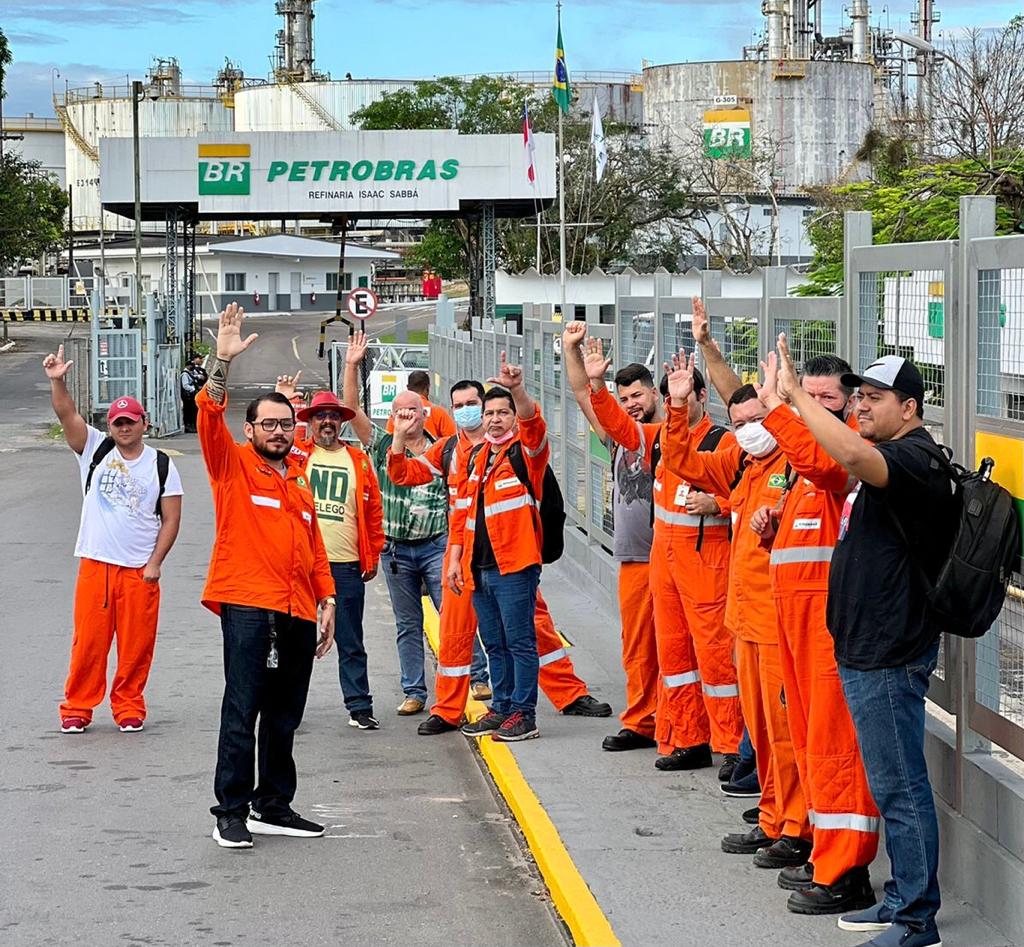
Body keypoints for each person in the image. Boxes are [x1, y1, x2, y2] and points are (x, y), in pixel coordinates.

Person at [774, 339, 956, 947]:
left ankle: (916, 920)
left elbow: (850, 453)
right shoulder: (890, 453)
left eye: (873, 398)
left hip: (889, 652)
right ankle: (903, 898)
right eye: (858, 396)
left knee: (900, 788)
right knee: (890, 784)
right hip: (865, 648)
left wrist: (798, 395)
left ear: (909, 407)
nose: (862, 406)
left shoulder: (912, 461)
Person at [388, 375, 611, 735]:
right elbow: (405, 475)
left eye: (473, 405)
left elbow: (533, 426)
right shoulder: (452, 451)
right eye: (458, 406)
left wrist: (519, 390)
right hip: (467, 557)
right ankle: (451, 710)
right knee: (461, 634)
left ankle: (565, 695)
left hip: (514, 557)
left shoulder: (519, 448)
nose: (468, 412)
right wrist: (399, 437)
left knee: (533, 629)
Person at [661, 344, 811, 872]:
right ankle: (773, 816)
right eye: (739, 420)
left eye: (757, 418)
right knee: (764, 730)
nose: (748, 427)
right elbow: (682, 463)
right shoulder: (745, 462)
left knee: (785, 732)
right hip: (746, 618)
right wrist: (677, 408)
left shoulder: (794, 464)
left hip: (777, 623)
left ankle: (796, 826)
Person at [197, 303, 336, 850]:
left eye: (285, 424)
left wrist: (327, 598)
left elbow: (314, 546)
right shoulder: (230, 466)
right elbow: (210, 414)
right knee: (244, 706)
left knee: (285, 713)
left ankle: (272, 804)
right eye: (268, 424)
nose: (278, 432)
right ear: (250, 428)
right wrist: (221, 362)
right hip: (248, 602)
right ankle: (230, 810)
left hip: (298, 607)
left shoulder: (299, 480)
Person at [574, 328, 745, 774]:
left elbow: (750, 493)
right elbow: (616, 426)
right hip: (663, 564)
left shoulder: (722, 442)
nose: (676, 407)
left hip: (707, 565)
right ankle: (689, 738)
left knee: (714, 658)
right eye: (671, 399)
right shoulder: (658, 440)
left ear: (702, 398)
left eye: (683, 398)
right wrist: (595, 384)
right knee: (674, 656)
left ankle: (729, 744)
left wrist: (718, 503)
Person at [751, 352, 880, 916]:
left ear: (848, 403)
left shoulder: (844, 450)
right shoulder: (800, 460)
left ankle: (847, 872)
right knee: (808, 742)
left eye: (823, 399)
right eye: (807, 394)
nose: (813, 407)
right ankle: (823, 854)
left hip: (830, 628)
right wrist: (771, 529)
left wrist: (781, 405)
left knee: (835, 748)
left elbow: (830, 472)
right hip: (797, 627)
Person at [44, 346, 183, 735]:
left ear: (145, 423)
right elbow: (66, 413)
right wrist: (58, 381)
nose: (124, 427)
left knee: (137, 647)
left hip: (140, 570)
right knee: (88, 643)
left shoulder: (161, 464)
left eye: (131, 421)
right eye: (118, 422)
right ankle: (77, 707)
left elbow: (171, 519)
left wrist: (155, 563)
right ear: (110, 426)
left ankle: (128, 705)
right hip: (96, 565)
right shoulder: (94, 450)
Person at [343, 332, 483, 714]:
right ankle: (414, 691)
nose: (405, 417)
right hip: (396, 549)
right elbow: (351, 408)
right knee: (408, 623)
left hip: (437, 542)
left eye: (413, 411)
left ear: (426, 414)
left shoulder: (444, 448)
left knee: (455, 612)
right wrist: (352, 365)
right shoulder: (380, 443)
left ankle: (479, 677)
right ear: (392, 416)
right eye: (399, 411)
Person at [563, 322, 662, 752]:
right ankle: (642, 720)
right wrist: (572, 350)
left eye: (637, 395)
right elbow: (583, 395)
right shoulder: (620, 440)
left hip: (671, 560)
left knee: (679, 651)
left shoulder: (668, 437)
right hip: (634, 560)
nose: (631, 405)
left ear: (655, 393)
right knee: (638, 648)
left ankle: (685, 725)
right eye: (623, 400)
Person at [446, 354, 550, 742]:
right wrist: (456, 559)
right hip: (479, 568)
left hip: (515, 566)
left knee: (519, 641)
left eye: (502, 413)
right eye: (489, 413)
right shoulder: (475, 457)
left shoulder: (526, 453)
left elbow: (534, 424)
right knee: (494, 642)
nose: (494, 419)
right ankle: (503, 707)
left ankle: (524, 713)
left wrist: (518, 390)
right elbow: (462, 514)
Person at [276, 375, 386, 732]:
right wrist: (282, 400)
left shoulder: (359, 460)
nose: (327, 421)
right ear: (309, 422)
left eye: (333, 416)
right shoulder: (298, 455)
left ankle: (359, 706)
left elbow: (373, 513)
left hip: (346, 565)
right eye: (319, 415)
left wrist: (373, 555)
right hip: (300, 565)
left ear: (342, 422)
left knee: (351, 639)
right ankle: (286, 710)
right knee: (293, 640)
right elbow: (271, 443)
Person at [385, 369, 457, 440]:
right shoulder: (438, 412)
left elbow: (388, 439)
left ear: (408, 388)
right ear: (428, 388)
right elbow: (453, 439)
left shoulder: (398, 415)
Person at [180, 352, 208, 433]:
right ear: (188, 366)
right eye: (191, 366)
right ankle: (188, 427)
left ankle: (193, 426)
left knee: (194, 411)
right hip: (188, 397)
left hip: (192, 396)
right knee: (188, 411)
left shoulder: (190, 373)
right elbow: (185, 385)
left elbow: (195, 376)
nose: (193, 367)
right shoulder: (185, 374)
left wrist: (199, 377)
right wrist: (193, 389)